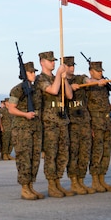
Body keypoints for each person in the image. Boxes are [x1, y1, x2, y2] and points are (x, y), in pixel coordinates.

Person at [36, 50, 73, 198]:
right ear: (42, 62)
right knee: (51, 154)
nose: (53, 62)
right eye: (50, 60)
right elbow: (53, 90)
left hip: (62, 119)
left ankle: (58, 182)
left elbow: (69, 95)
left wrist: (64, 79)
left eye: (54, 60)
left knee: (63, 153)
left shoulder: (58, 77)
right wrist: (58, 75)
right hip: (49, 122)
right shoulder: (40, 79)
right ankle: (52, 185)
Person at [7, 61, 44, 200]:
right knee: (24, 158)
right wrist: (25, 114)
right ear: (24, 74)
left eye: (34, 72)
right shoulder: (17, 89)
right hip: (22, 129)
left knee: (34, 158)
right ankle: (24, 188)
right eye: (30, 72)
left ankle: (30, 186)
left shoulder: (35, 89)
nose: (34, 74)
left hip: (35, 127)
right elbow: (11, 108)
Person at [85, 60, 111, 192]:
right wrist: (90, 126)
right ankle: (95, 181)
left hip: (106, 123)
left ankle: (102, 179)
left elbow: (105, 106)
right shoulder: (88, 87)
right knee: (96, 153)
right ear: (91, 72)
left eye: (101, 71)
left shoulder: (104, 86)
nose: (101, 73)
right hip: (96, 124)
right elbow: (86, 108)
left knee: (106, 153)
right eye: (98, 71)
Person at [64, 56, 94, 195]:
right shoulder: (61, 81)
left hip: (84, 121)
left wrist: (94, 81)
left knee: (85, 152)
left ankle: (81, 180)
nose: (72, 68)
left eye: (73, 65)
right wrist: (69, 86)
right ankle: (74, 181)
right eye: (69, 65)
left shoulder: (80, 78)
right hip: (71, 122)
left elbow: (88, 81)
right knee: (73, 153)